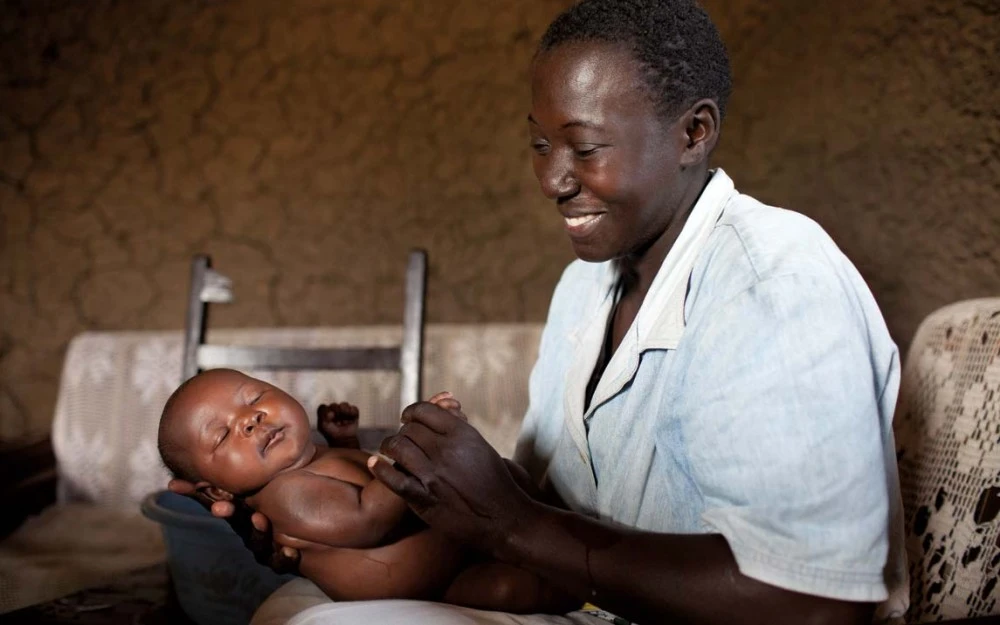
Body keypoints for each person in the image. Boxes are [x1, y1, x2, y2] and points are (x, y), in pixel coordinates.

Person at [173, 1, 909, 623]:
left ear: (694, 132)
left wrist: (511, 520)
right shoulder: (586, 289)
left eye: (584, 147)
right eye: (538, 142)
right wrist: (340, 501)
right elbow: (555, 504)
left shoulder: (774, 282)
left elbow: (812, 603)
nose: (554, 179)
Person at [158, 368, 576, 613]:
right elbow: (366, 517)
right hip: (430, 586)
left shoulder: (309, 459)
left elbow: (350, 481)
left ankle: (569, 537)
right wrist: (420, 447)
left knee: (506, 475)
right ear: (215, 492)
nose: (249, 419)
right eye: (222, 436)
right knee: (510, 590)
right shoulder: (283, 495)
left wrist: (344, 443)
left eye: (254, 397)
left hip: (455, 544)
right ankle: (590, 594)